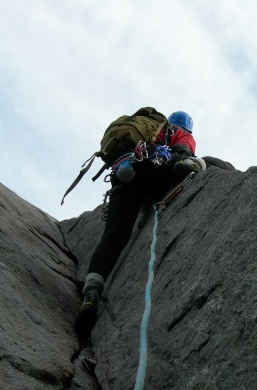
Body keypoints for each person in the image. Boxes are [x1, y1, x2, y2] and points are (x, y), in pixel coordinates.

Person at [75, 110, 205, 342]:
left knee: (114, 234)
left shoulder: (145, 129)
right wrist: (185, 156)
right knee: (197, 162)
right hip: (157, 166)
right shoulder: (179, 132)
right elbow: (183, 146)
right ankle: (182, 167)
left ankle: (91, 294)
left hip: (127, 171)